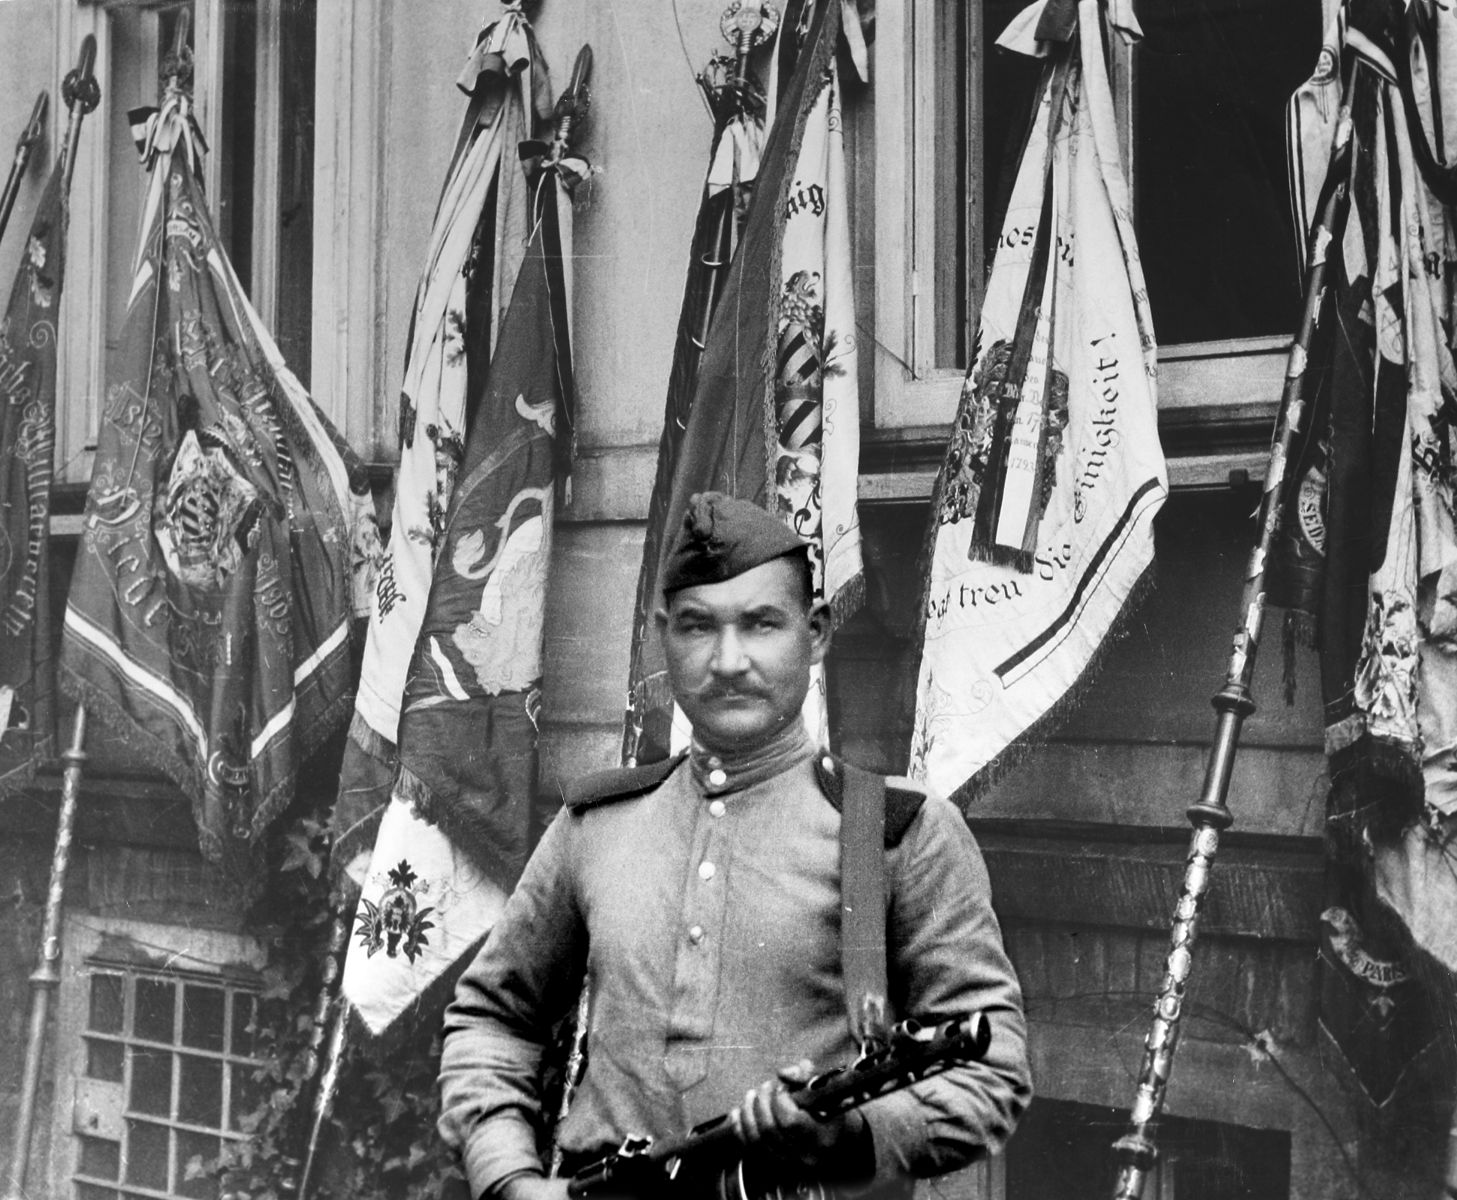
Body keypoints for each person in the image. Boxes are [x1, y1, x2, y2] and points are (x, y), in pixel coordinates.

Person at [439, 492, 1031, 1199]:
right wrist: (508, 1176)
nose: (727, 661)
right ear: (662, 635)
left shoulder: (895, 832)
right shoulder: (596, 824)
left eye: (760, 624)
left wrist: (851, 1135)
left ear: (814, 634)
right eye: (696, 627)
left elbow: (989, 1070)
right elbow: (492, 1019)